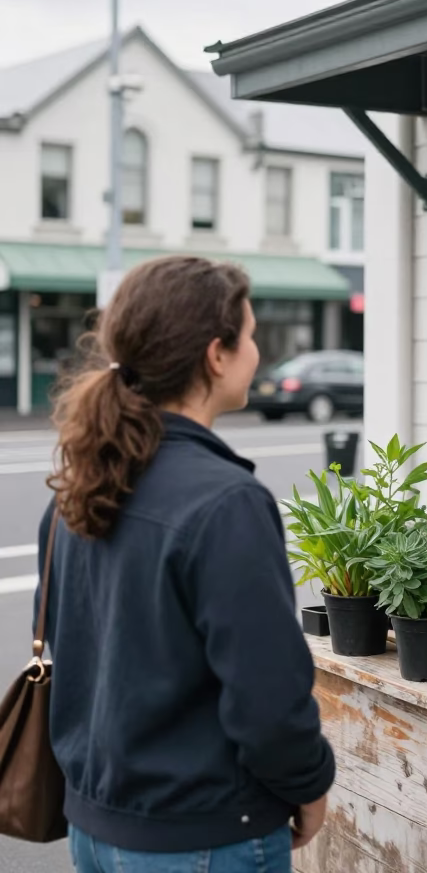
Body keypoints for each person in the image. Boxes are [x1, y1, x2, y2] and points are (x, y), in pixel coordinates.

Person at [37, 256, 335, 873]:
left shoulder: (81, 484)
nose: (257, 352)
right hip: (202, 835)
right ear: (215, 354)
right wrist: (308, 783)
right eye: (250, 336)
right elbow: (268, 697)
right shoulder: (226, 502)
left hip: (93, 825)